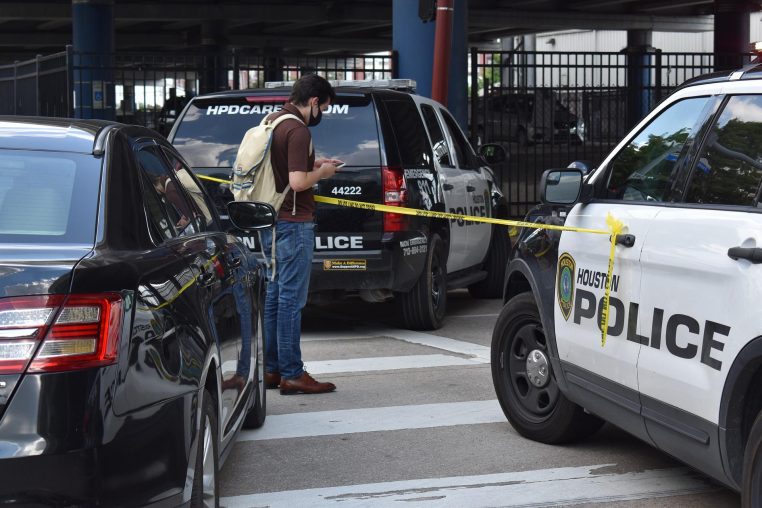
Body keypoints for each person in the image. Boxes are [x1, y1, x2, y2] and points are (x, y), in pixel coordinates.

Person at [259, 74, 341, 395]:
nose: (322, 115)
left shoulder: (274, 120)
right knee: (291, 299)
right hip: (294, 222)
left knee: (276, 295)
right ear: (314, 102)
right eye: (324, 108)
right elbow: (297, 182)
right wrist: (322, 172)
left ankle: (271, 369)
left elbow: (284, 168)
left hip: (273, 219)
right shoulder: (297, 130)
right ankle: (293, 373)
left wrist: (313, 163)